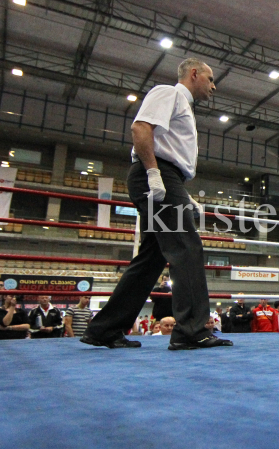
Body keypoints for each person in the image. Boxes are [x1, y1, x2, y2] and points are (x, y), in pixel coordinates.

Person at [81, 58, 230, 350]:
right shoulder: (170, 93)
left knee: (152, 257)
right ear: (194, 74)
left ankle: (104, 329)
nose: (213, 86)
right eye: (210, 79)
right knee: (187, 247)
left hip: (166, 176)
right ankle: (191, 330)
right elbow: (140, 129)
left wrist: (179, 191)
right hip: (156, 173)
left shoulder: (182, 105)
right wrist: (153, 173)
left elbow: (169, 150)